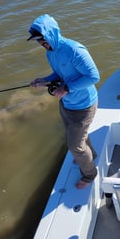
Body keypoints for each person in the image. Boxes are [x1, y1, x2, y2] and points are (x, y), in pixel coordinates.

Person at [27, 14, 100, 189]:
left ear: (50, 34)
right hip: (67, 105)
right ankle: (92, 155)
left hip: (84, 105)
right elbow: (59, 75)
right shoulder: (50, 53)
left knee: (74, 146)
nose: (40, 43)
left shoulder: (74, 49)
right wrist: (44, 80)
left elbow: (93, 76)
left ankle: (90, 175)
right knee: (78, 139)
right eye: (37, 41)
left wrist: (66, 89)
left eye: (41, 39)